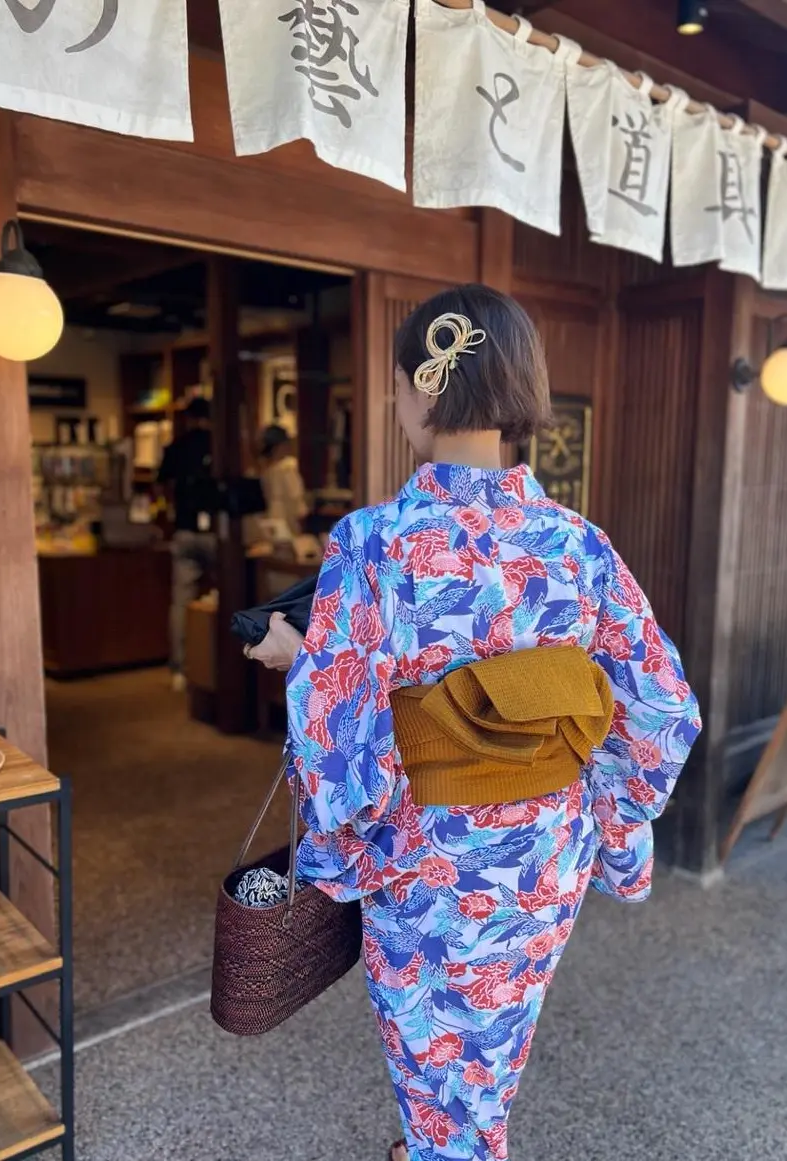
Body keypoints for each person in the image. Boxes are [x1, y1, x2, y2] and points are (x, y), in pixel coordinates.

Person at [247, 285, 701, 1161]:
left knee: (444, 1073)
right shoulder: (577, 541)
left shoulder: (374, 540)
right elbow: (657, 701)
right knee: (484, 1064)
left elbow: (338, 723)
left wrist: (293, 658)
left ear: (421, 387)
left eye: (396, 385)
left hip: (431, 856)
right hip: (544, 852)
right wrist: (611, 819)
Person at [157, 397, 216, 691]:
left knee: (181, 601)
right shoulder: (221, 446)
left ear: (189, 417)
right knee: (225, 597)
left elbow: (162, 485)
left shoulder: (176, 446)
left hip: (183, 530)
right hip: (217, 533)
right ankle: (219, 665)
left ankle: (180, 668)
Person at [258, 423, 309, 538]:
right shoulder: (288, 467)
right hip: (288, 526)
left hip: (269, 526)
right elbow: (297, 500)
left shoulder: (265, 472)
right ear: (281, 446)